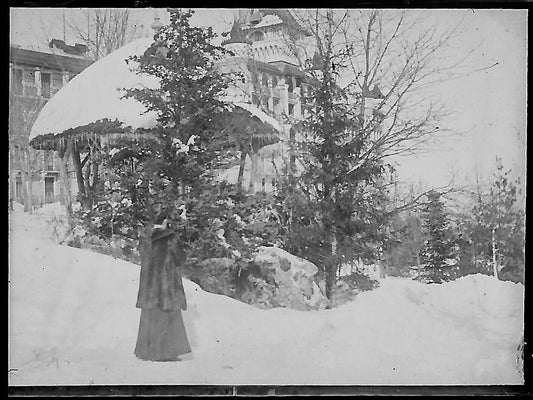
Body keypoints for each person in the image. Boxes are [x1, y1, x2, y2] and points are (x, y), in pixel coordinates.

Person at [134, 209, 191, 361]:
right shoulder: (170, 237)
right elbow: (179, 258)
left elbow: (142, 256)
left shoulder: (144, 237)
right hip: (166, 285)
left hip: (149, 285)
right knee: (168, 317)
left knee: (150, 316)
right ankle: (166, 353)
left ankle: (146, 352)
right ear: (166, 221)